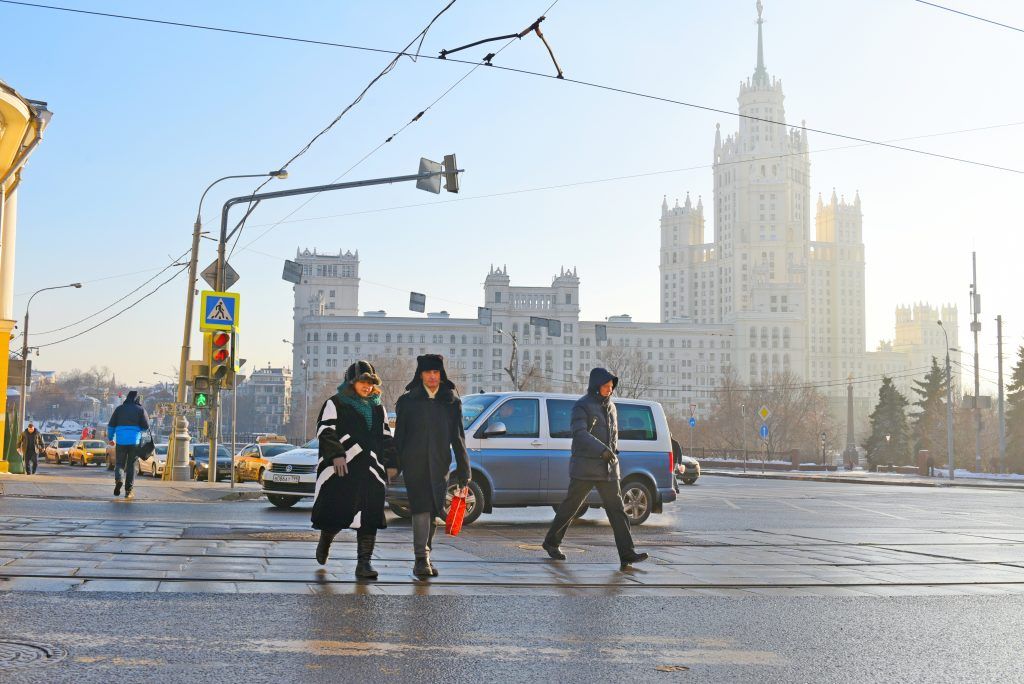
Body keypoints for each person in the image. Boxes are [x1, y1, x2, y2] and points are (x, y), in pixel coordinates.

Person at [543, 367, 648, 569]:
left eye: (611, 387)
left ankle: (627, 554)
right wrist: (603, 451)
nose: (610, 390)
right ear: (596, 386)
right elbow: (580, 434)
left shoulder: (612, 407)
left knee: (617, 510)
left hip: (608, 468)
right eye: (606, 386)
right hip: (585, 466)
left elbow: (613, 436)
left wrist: (613, 454)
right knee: (571, 507)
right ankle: (551, 542)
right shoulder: (582, 406)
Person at [311, 360, 397, 579]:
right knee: (337, 513)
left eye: (370, 382)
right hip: (344, 469)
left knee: (370, 516)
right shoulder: (336, 402)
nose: (367, 386)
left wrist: (392, 463)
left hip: (371, 470)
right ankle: (326, 540)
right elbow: (326, 430)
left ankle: (364, 564)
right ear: (352, 382)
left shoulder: (378, 407)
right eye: (362, 382)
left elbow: (386, 436)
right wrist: (337, 455)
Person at [394, 354, 471, 579]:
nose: (432, 377)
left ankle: (425, 555)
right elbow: (400, 437)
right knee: (421, 507)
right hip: (414, 463)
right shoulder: (408, 402)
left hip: (440, 465)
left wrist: (465, 470)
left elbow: (458, 437)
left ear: (441, 374)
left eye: (436, 372)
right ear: (420, 375)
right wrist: (393, 464)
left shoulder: (451, 402)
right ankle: (421, 559)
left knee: (435, 508)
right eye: (428, 372)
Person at [106, 390, 150, 499]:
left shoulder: (119, 409)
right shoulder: (140, 410)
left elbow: (111, 425)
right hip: (134, 441)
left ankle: (119, 480)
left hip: (121, 441)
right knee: (131, 466)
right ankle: (128, 491)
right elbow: (146, 427)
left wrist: (111, 438)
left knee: (120, 464)